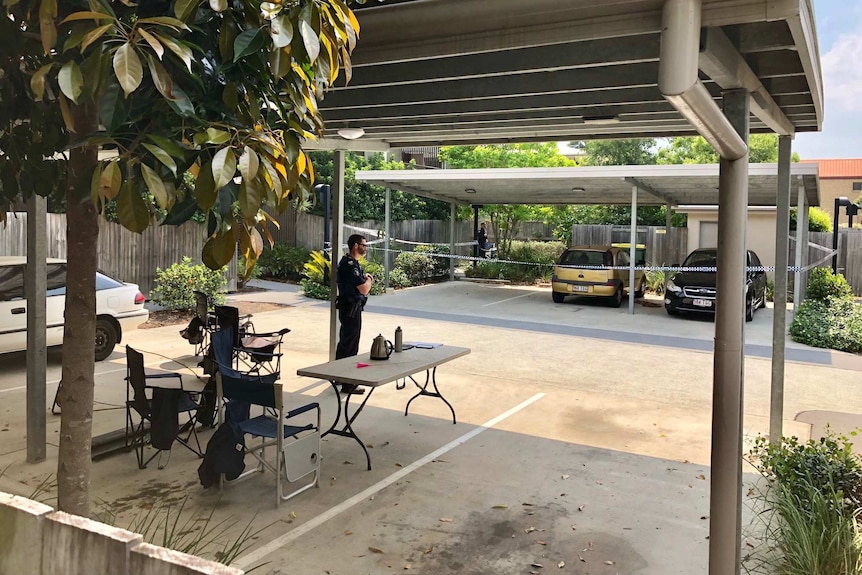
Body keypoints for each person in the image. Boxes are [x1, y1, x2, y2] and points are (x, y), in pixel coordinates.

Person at [335, 234, 374, 394]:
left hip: (349, 308)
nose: (365, 248)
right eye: (363, 245)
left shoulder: (351, 263)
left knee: (345, 342)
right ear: (355, 246)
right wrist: (369, 280)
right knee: (350, 345)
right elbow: (364, 289)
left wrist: (364, 281)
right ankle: (348, 384)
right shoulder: (350, 264)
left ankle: (338, 375)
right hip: (351, 308)